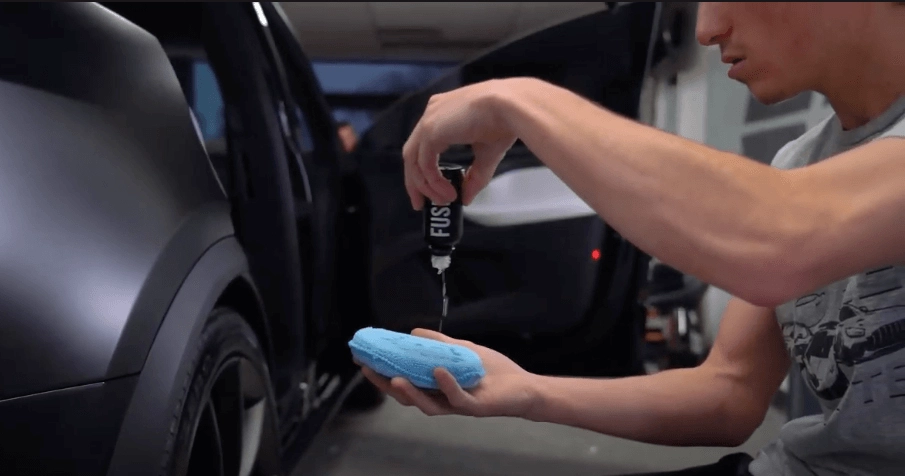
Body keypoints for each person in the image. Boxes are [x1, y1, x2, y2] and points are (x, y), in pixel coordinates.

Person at [358, 3, 905, 475]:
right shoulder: (798, 162)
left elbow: (783, 238)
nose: (707, 28)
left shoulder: (791, 198)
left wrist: (521, 100)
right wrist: (529, 390)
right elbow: (729, 391)